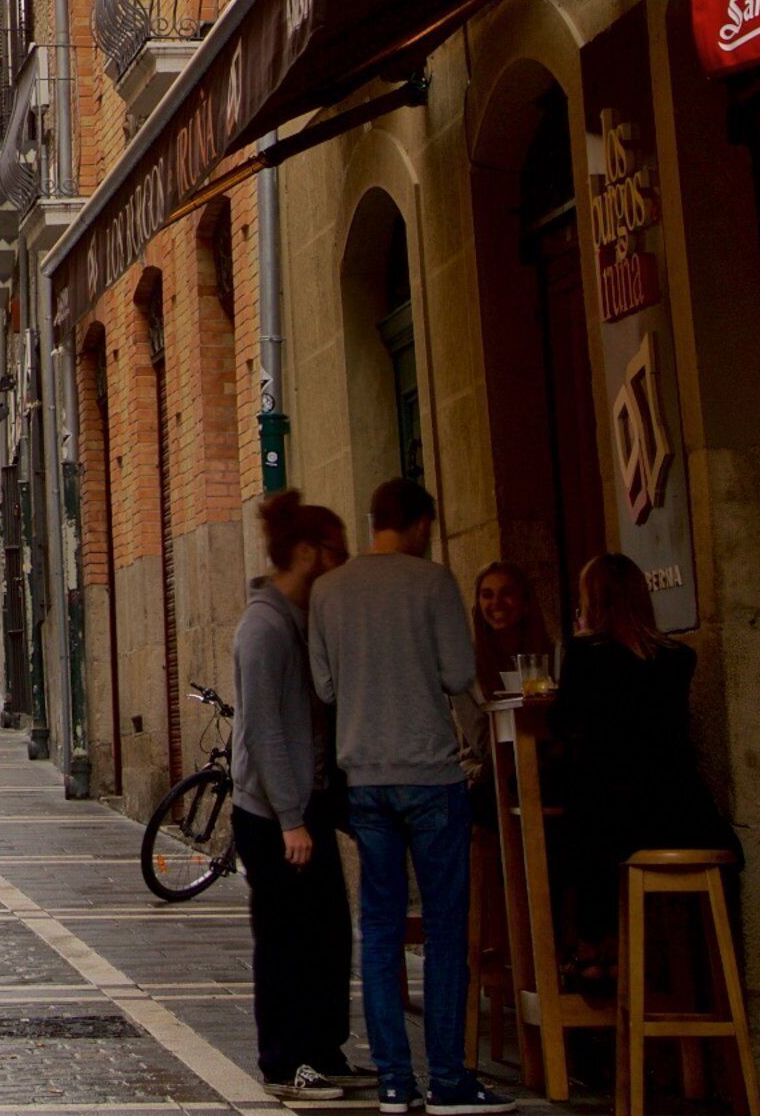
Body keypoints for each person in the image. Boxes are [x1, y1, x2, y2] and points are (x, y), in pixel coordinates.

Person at [310, 476, 508, 1116]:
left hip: (365, 775)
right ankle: (449, 1078)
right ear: (421, 524)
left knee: (381, 926)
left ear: (372, 522)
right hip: (429, 773)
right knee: (447, 929)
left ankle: (395, 1079)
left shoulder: (328, 591)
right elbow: (457, 674)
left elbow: (326, 684)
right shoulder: (433, 583)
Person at [546, 551, 736, 973]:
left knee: (562, 838)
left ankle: (588, 953)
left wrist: (580, 640)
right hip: (682, 815)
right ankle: (622, 959)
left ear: (591, 601)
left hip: (617, 821)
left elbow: (564, 725)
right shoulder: (678, 658)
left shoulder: (584, 654)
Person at [235, 492, 356, 1105]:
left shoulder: (302, 618)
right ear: (308, 553)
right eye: (339, 551)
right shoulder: (264, 626)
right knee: (284, 938)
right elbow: (260, 728)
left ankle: (323, 1049)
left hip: (304, 805)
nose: (346, 563)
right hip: (271, 815)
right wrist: (289, 818)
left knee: (327, 930)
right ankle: (284, 1062)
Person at [470, 560, 551, 698]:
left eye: (506, 593)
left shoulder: (553, 655)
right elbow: (471, 719)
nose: (496, 602)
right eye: (487, 595)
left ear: (525, 602)